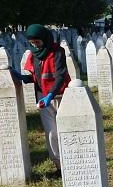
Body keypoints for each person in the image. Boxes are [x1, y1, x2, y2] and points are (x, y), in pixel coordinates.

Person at [12, 23, 70, 171]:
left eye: (37, 42)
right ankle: (59, 166)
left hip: (60, 95)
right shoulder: (34, 55)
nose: (35, 45)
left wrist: (51, 94)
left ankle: (72, 160)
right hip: (43, 98)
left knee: (65, 129)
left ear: (45, 38)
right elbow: (38, 76)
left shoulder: (57, 52)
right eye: (32, 43)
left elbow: (60, 75)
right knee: (51, 133)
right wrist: (26, 78)